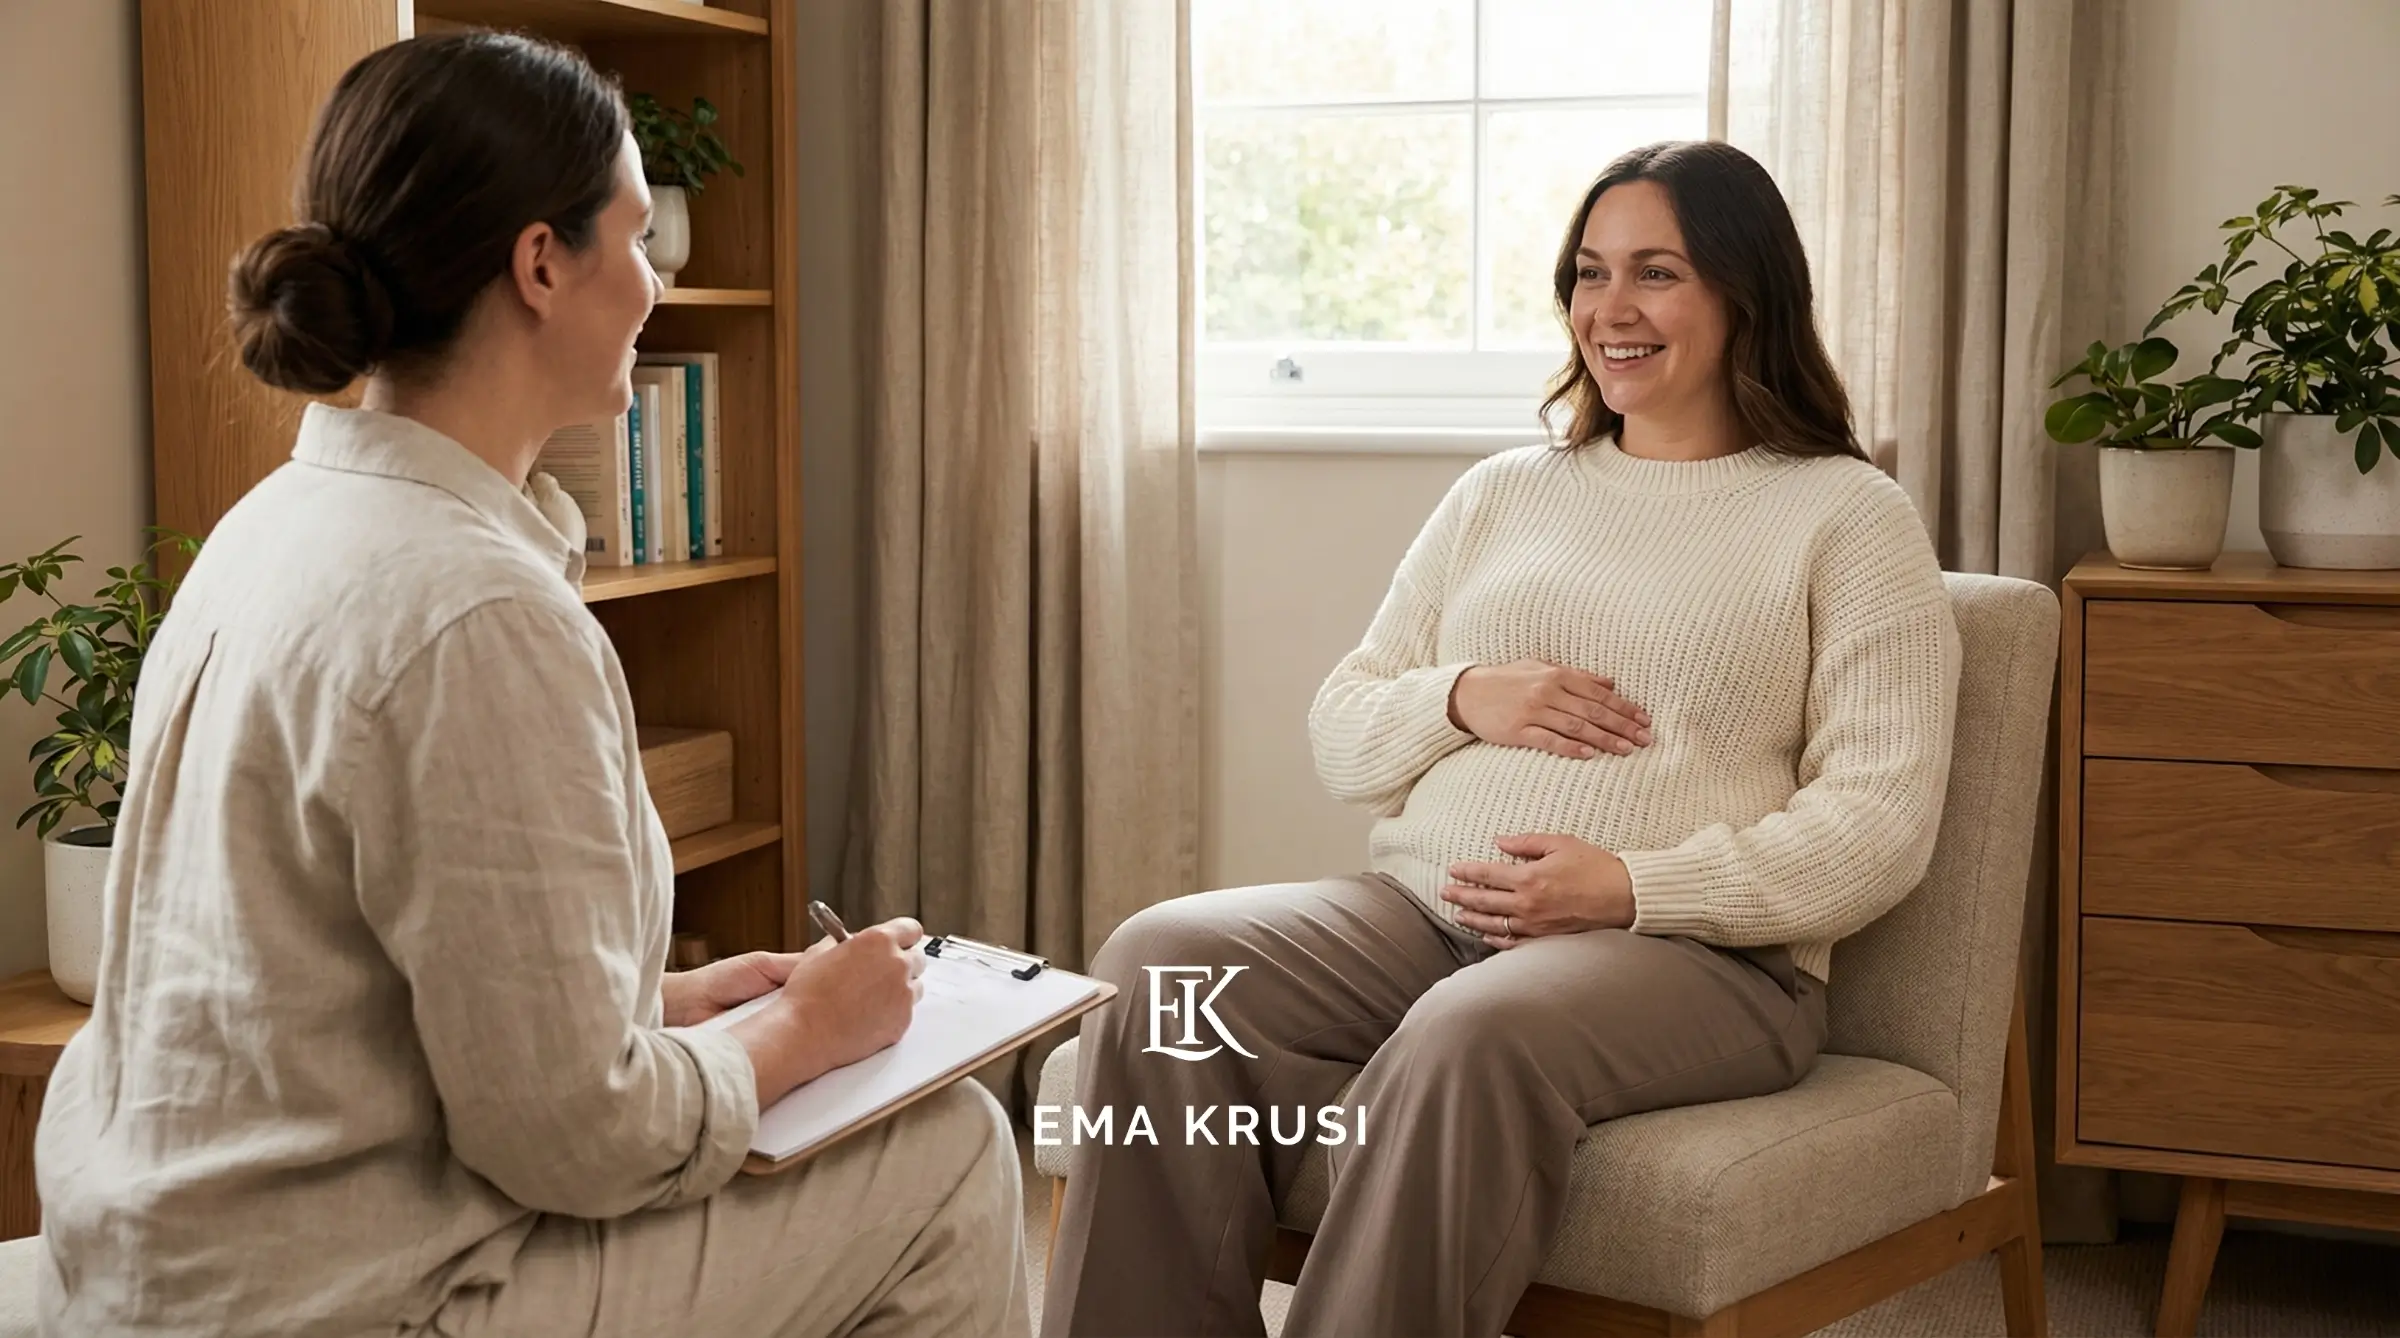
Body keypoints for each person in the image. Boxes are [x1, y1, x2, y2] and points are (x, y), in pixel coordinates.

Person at [33, 31, 1027, 1338]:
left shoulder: (273, 524)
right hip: (335, 1302)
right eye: (638, 239)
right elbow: (579, 1142)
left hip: (168, 1262)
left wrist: (665, 1006)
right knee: (950, 1151)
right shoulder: (473, 612)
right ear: (541, 263)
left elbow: (337, 993)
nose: (656, 285)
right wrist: (808, 1035)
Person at [1042, 138, 1962, 1338]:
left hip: (1700, 961)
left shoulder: (1848, 515)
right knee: (1162, 966)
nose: (1610, 309)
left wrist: (1629, 886)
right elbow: (1343, 732)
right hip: (1422, 916)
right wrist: (1463, 696)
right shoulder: (1502, 492)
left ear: (1749, 292)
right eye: (1589, 272)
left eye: (1656, 273)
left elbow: (1879, 825)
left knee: (1471, 1031)